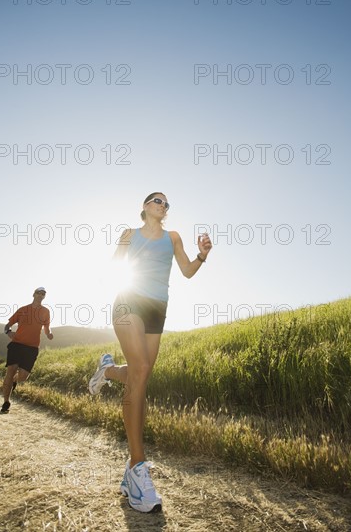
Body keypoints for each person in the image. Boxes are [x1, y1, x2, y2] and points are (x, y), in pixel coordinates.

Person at [89, 192, 212, 513]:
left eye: (167, 203)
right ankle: (137, 467)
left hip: (158, 308)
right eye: (157, 200)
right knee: (141, 370)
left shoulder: (173, 237)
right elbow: (113, 268)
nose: (163, 205)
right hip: (129, 299)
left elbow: (186, 271)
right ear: (144, 207)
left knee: (140, 378)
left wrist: (202, 256)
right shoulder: (129, 234)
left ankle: (109, 370)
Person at [1, 287, 54, 413]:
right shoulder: (23, 310)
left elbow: (47, 328)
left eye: (43, 294)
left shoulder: (45, 311)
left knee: (23, 377)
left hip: (32, 348)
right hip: (17, 345)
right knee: (11, 371)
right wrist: (8, 332)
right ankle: (6, 402)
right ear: (33, 294)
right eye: (39, 293)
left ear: (44, 297)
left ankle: (15, 380)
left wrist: (49, 334)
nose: (41, 295)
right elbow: (7, 325)